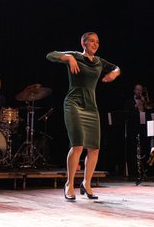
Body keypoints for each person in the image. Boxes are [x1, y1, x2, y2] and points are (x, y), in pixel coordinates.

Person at [46, 32, 120, 200]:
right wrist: (68, 58)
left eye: (97, 42)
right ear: (83, 43)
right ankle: (69, 184)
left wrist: (114, 73)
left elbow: (117, 67)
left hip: (91, 107)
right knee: (78, 144)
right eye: (91, 41)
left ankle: (86, 184)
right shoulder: (75, 56)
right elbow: (50, 55)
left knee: (94, 147)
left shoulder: (99, 61)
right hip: (73, 104)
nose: (95, 44)